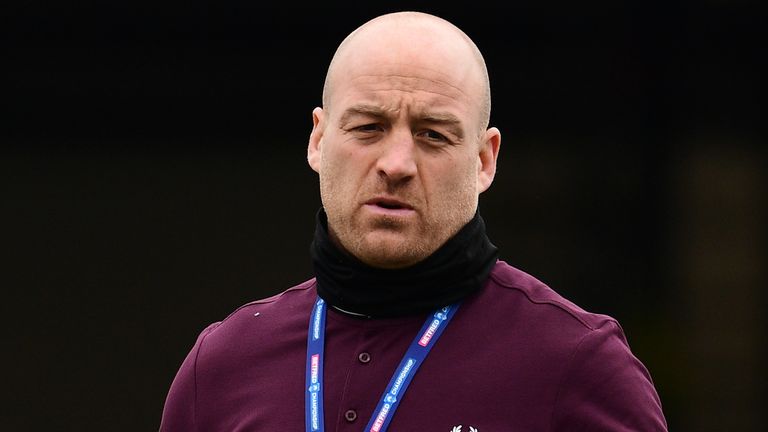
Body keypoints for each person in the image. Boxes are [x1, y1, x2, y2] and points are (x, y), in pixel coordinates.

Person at [160, 11, 668, 431]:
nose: (396, 163)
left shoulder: (576, 363)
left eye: (432, 134)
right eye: (368, 127)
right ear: (318, 140)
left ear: (484, 160)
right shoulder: (225, 363)